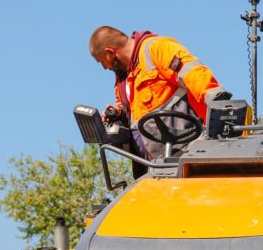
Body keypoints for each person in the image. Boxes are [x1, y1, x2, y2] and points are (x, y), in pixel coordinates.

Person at [89, 26, 230, 162]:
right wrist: (118, 113)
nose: (104, 67)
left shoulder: (157, 48)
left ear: (110, 52)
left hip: (188, 152)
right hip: (152, 164)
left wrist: (220, 104)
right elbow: (132, 111)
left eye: (102, 61)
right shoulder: (123, 77)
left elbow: (194, 74)